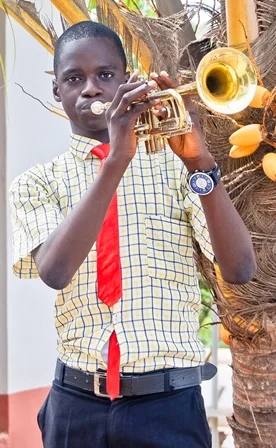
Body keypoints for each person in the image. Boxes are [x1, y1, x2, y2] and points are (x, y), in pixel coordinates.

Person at [9, 20, 256, 448]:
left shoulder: (173, 167)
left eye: (105, 75)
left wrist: (199, 161)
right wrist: (116, 160)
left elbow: (239, 268)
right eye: (73, 78)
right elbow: (55, 270)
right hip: (76, 404)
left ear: (126, 82)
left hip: (169, 406)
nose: (91, 88)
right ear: (57, 93)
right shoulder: (37, 182)